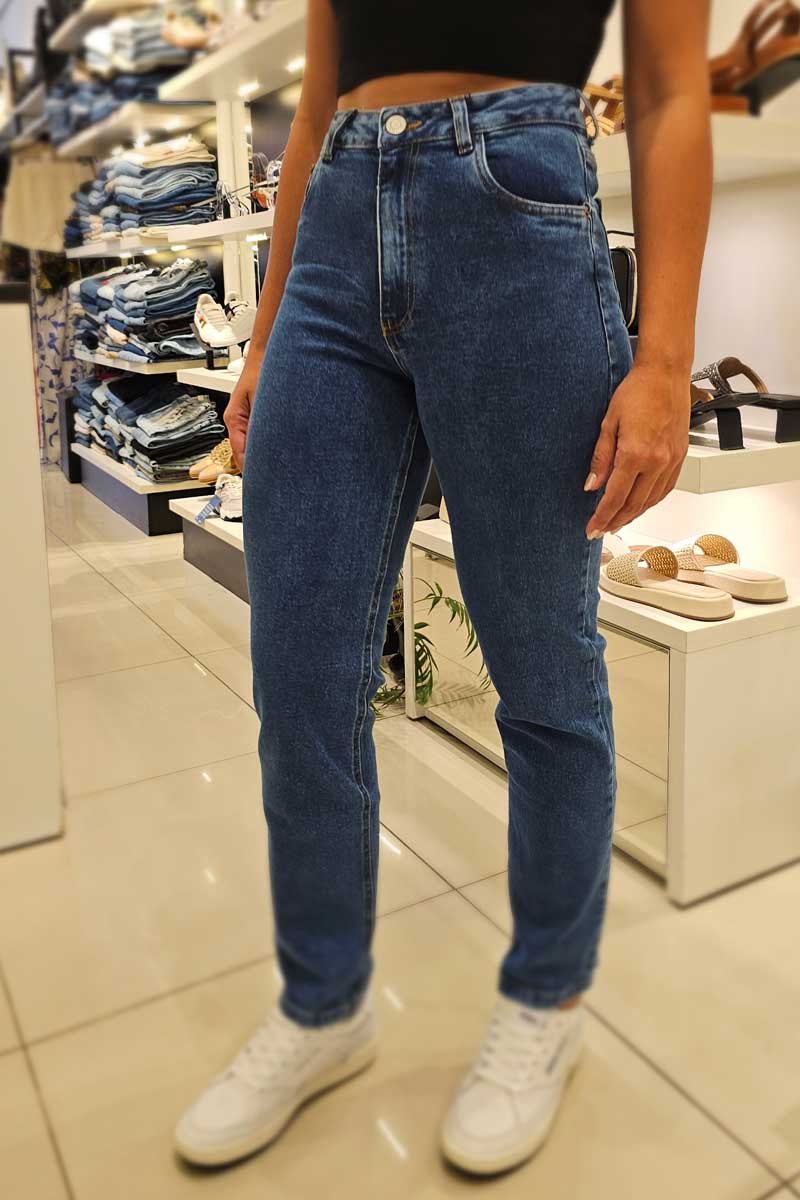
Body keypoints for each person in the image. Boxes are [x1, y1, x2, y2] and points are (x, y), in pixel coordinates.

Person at [176, 0, 711, 1175]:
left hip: (516, 208)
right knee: (299, 674)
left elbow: (672, 89)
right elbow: (314, 107)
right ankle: (323, 1005)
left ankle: (546, 999)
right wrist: (262, 336)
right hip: (330, 230)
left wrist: (665, 357)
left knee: (542, 670)